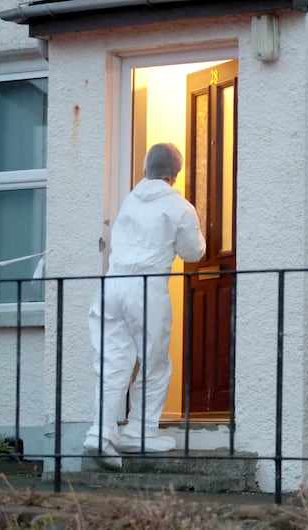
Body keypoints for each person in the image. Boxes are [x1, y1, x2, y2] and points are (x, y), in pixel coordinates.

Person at [83, 143, 206, 471]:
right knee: (155, 362)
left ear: (145, 169)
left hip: (112, 285)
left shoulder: (130, 200)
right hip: (146, 287)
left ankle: (100, 433)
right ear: (174, 174)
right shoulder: (179, 207)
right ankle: (140, 431)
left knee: (113, 362)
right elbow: (193, 252)